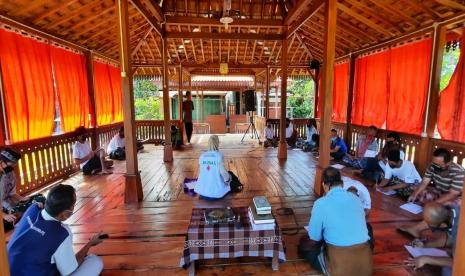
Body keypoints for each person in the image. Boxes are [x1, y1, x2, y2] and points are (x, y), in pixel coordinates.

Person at [8, 184, 105, 276]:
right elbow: (69, 271)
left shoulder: (32, 209)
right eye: (74, 204)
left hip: (7, 270)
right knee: (95, 261)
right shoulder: (61, 233)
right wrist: (89, 244)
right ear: (65, 214)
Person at [298, 167, 372, 275]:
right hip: (365, 267)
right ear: (342, 183)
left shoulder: (321, 203)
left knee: (305, 246)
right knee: (368, 228)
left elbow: (314, 237)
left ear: (324, 185)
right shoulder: (356, 198)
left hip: (339, 269)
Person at [398, 148, 464, 238]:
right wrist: (414, 194)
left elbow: (453, 194)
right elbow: (424, 182)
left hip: (456, 198)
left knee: (440, 207)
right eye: (434, 162)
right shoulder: (432, 166)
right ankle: (434, 217)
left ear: (448, 163)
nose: (434, 166)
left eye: (438, 164)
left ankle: (417, 228)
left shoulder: (459, 171)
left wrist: (434, 204)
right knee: (421, 193)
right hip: (440, 192)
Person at [404, 203, 459, 276]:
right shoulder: (452, 212)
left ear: (443, 225)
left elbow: (458, 263)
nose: (431, 229)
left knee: (447, 271)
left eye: (432, 228)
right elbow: (449, 238)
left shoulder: (460, 229)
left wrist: (426, 259)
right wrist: (425, 245)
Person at [1, 148, 45, 231]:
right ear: (2, 161)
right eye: (12, 163)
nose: (15, 165)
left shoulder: (10, 173)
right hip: (3, 211)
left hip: (8, 206)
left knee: (39, 199)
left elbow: (12, 194)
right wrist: (4, 216)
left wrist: (25, 200)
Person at [195, 135, 241, 200]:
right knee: (230, 174)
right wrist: (229, 179)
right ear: (217, 143)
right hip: (216, 195)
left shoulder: (202, 156)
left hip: (202, 193)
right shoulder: (219, 156)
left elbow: (203, 172)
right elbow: (224, 174)